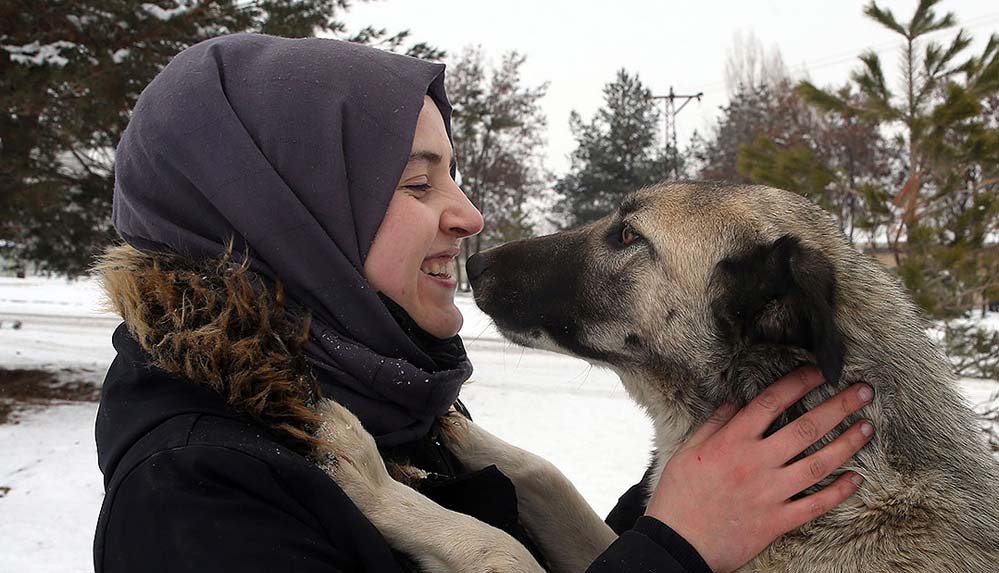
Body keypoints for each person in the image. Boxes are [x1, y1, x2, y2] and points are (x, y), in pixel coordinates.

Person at [93, 34, 873, 573]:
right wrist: (678, 544)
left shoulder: (382, 410)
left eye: (454, 173)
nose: (469, 214)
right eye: (416, 182)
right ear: (284, 216)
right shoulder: (193, 498)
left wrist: (680, 500)